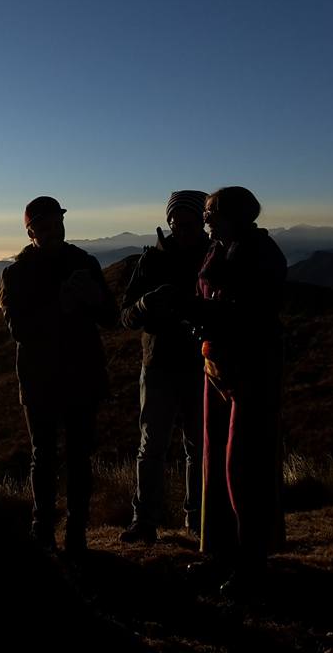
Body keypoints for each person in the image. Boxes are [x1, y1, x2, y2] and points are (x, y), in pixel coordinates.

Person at [0, 196, 118, 554]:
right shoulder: (16, 275)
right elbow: (19, 329)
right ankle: (45, 531)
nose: (54, 231)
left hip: (75, 375)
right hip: (42, 380)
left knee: (75, 456)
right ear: (31, 230)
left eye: (58, 224)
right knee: (46, 455)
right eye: (46, 226)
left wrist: (96, 299)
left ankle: (75, 533)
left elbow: (111, 318)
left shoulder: (84, 263)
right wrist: (62, 306)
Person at [187, 186, 287, 598]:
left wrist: (197, 312)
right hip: (218, 368)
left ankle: (251, 561)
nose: (205, 218)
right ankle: (222, 551)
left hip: (251, 369)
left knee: (242, 465)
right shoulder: (219, 250)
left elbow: (251, 312)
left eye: (211, 212)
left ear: (233, 214)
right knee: (215, 458)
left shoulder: (260, 254)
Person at [119, 191, 211, 544]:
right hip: (159, 366)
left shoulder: (214, 256)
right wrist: (144, 305)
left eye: (188, 224)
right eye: (176, 224)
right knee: (155, 445)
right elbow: (125, 315)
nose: (182, 230)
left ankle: (198, 519)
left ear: (200, 222)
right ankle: (146, 521)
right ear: (169, 222)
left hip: (198, 364)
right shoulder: (152, 260)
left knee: (194, 446)